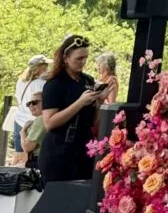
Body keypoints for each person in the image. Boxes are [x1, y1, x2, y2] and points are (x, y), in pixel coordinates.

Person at [40, 35, 103, 182]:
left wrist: (99, 101)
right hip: (60, 150)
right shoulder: (55, 84)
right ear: (66, 58)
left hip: (84, 149)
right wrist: (80, 102)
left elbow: (93, 120)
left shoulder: (87, 80)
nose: (83, 62)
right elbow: (49, 123)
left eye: (85, 58)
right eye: (79, 58)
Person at [11, 54, 50, 165]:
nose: (47, 67)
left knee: (19, 158)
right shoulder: (42, 83)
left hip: (19, 120)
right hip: (33, 122)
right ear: (40, 67)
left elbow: (18, 98)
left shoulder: (20, 81)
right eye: (46, 65)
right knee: (31, 157)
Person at [21, 93, 46, 170]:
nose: (31, 106)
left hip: (38, 161)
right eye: (29, 104)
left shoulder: (41, 119)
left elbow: (27, 147)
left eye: (34, 102)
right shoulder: (48, 118)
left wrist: (23, 132)